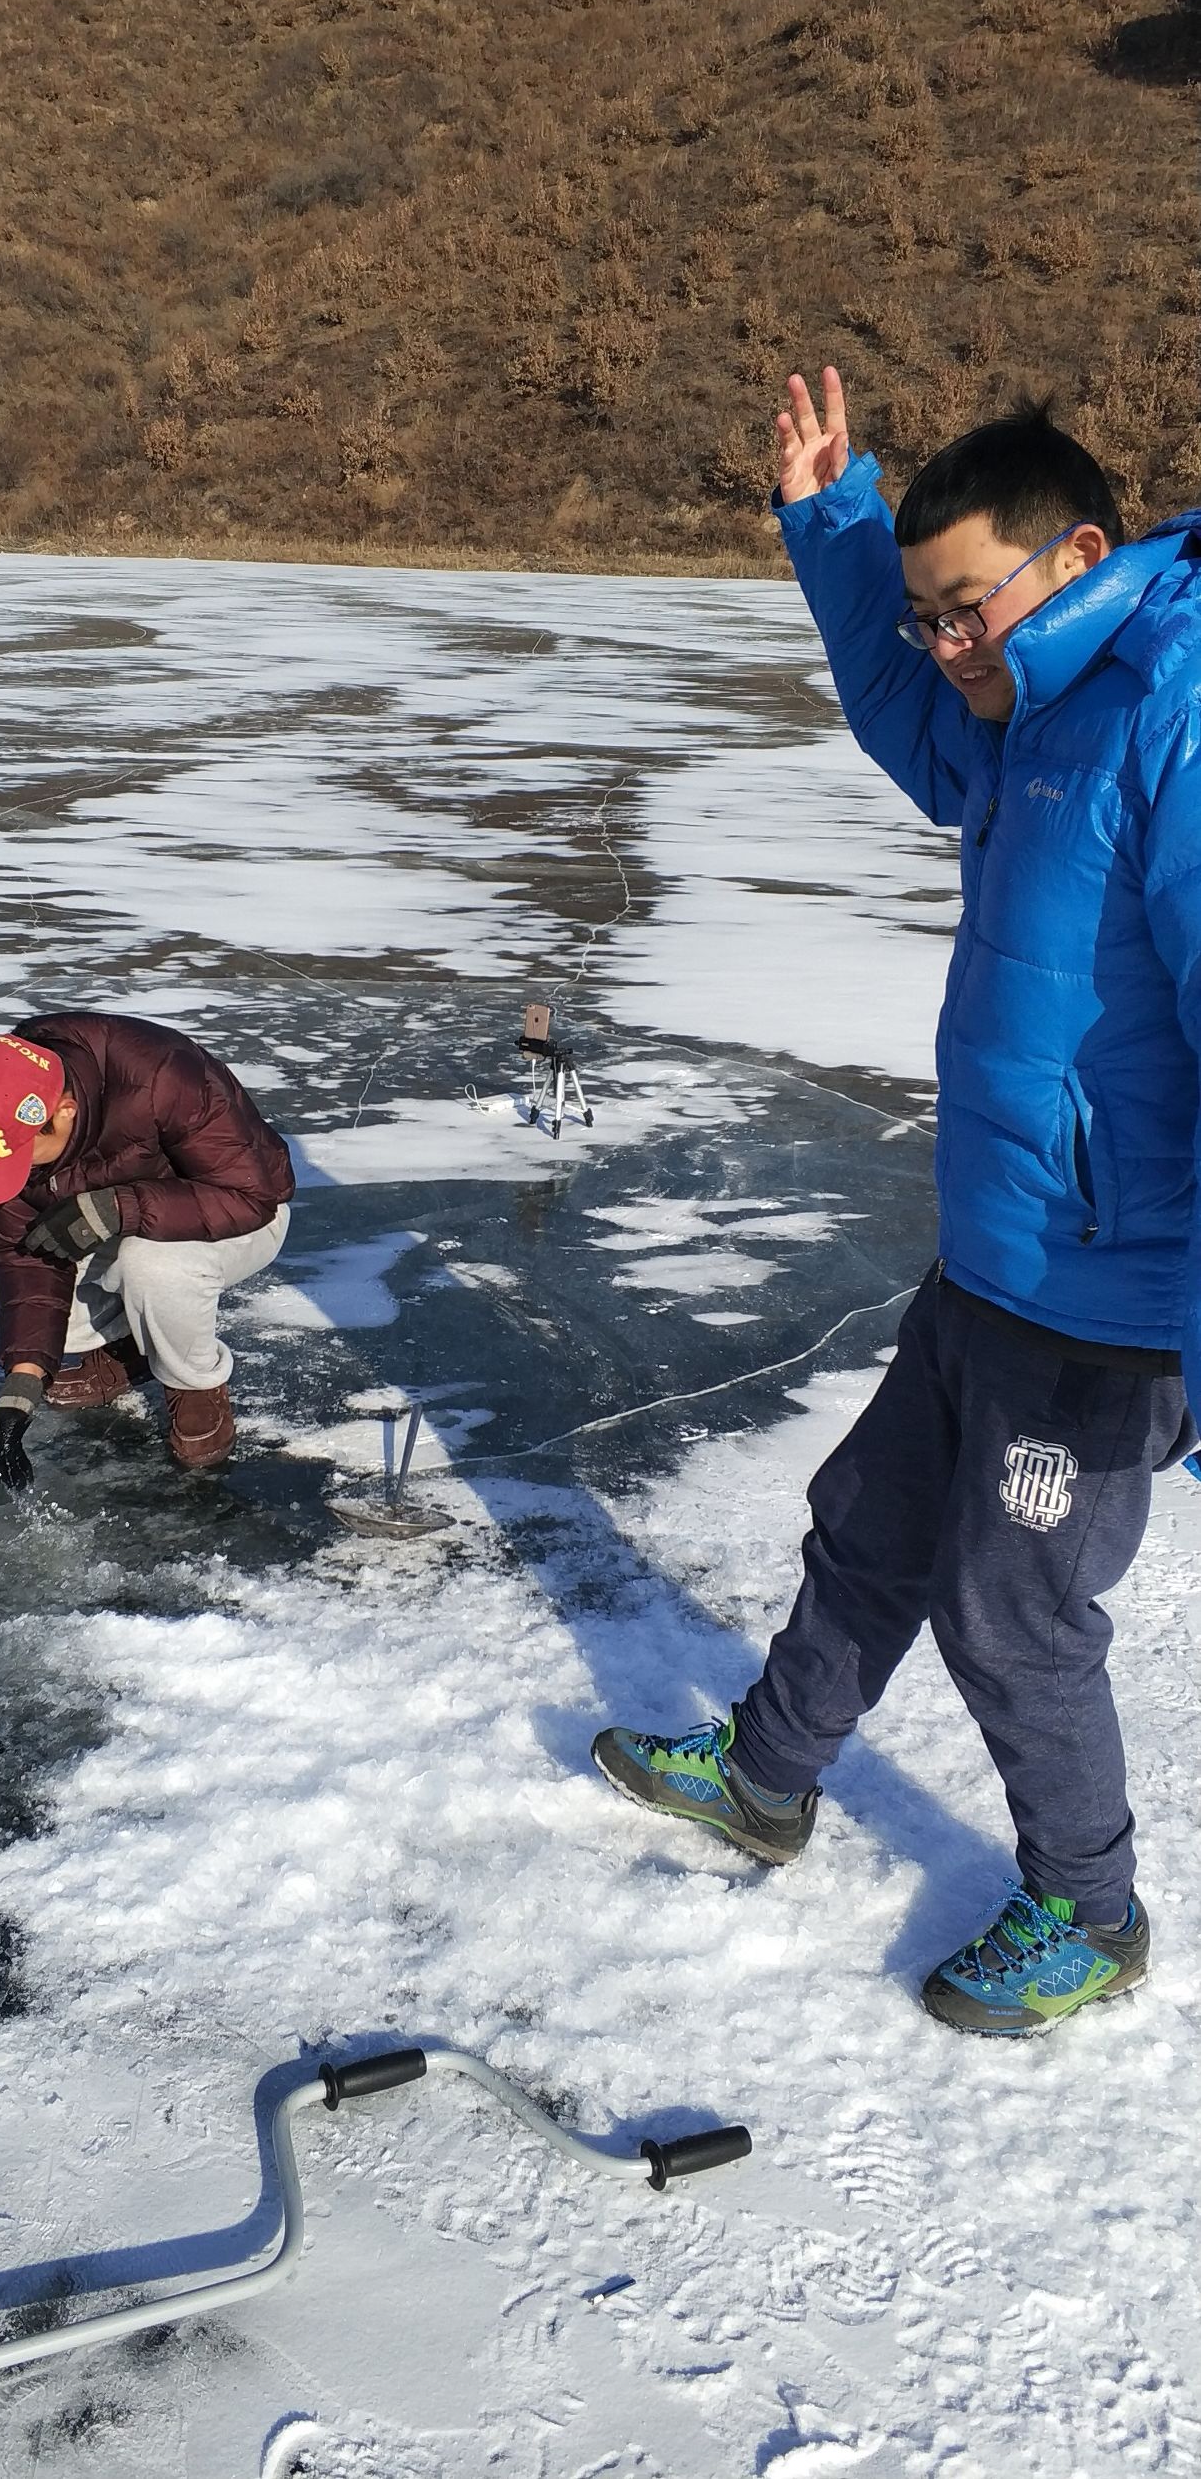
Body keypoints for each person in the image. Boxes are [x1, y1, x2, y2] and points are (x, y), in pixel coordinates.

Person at [594, 369, 1201, 2037]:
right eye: (929, 615)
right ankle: (771, 1775)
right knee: (869, 1526)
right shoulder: (1020, 711)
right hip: (1001, 1255)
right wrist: (836, 523)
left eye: (964, 607)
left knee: (1014, 1622)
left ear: (1079, 555)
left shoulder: (1173, 710)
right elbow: (899, 701)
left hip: (1112, 1302)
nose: (943, 644)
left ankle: (1088, 1908)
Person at [0, 1012, 294, 1484]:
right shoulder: (5, 1095)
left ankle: (193, 1381)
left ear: (64, 1110)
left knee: (151, 1262)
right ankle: (129, 1348)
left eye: (22, 1155)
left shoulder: (164, 1074)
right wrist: (21, 1387)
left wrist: (119, 1208)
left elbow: (254, 1196)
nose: (16, 1172)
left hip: (232, 1218)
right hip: (109, 1227)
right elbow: (23, 1256)